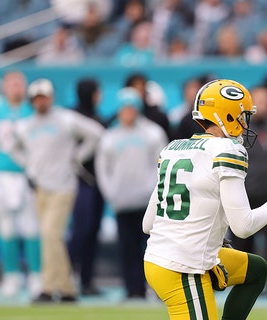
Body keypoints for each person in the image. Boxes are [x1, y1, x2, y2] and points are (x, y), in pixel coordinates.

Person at [142, 79, 267, 320]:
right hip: (183, 268)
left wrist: (211, 238)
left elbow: (148, 224)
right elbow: (243, 227)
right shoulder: (228, 151)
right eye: (242, 116)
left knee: (256, 270)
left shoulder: (173, 148)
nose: (245, 123)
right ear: (227, 116)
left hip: (156, 260)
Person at [11, 78, 104, 303]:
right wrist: (28, 166)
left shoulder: (65, 119)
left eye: (44, 97)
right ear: (32, 100)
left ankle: (48, 286)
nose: (40, 102)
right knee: (51, 237)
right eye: (36, 98)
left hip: (63, 186)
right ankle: (66, 288)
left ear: (50, 98)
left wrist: (76, 158)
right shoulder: (25, 125)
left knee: (50, 234)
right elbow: (12, 147)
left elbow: (96, 133)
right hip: (40, 187)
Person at [96, 87, 168, 300]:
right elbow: (103, 169)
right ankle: (133, 289)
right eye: (123, 109)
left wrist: (154, 193)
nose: (127, 113)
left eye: (130, 108)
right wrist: (111, 193)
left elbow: (162, 165)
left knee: (154, 248)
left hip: (148, 201)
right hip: (122, 201)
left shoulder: (153, 133)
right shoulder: (109, 137)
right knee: (127, 248)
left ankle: (156, 288)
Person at [0, 71, 41, 297]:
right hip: (0, 175)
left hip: (26, 175)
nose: (16, 88)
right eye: (12, 84)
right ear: (4, 87)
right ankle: (11, 275)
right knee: (6, 227)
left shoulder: (31, 110)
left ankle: (35, 275)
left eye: (19, 84)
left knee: (32, 227)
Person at [229, 86, 267, 304]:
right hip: (243, 198)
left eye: (266, 100)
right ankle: (242, 294)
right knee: (243, 248)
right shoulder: (237, 131)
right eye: (259, 100)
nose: (263, 104)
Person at [67, 78, 106, 296]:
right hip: (77, 183)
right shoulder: (71, 118)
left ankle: (87, 280)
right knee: (80, 232)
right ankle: (66, 278)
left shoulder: (98, 118)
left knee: (92, 232)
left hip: (97, 183)